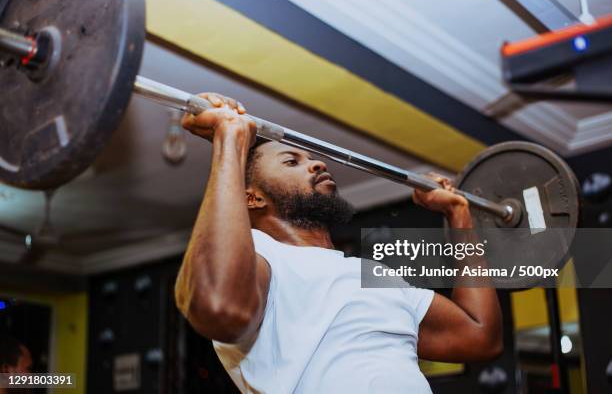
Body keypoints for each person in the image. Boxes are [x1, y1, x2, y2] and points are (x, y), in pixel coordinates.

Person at [174, 94, 502, 393]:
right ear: (252, 197)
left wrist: (458, 213)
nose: (317, 163)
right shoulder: (263, 257)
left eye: (311, 159)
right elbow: (217, 306)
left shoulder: (371, 274)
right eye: (291, 161)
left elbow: (480, 335)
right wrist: (229, 140)